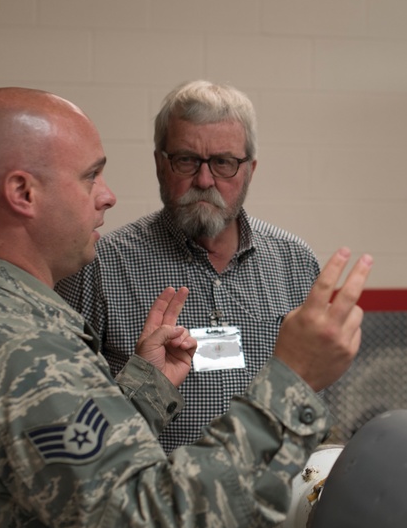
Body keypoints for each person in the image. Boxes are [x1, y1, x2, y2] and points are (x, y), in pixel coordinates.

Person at [0, 87, 371, 528]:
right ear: (23, 193)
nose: (107, 195)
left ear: (249, 168)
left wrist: (146, 387)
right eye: (91, 176)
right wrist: (292, 380)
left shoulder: (5, 321)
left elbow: (72, 466)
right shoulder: (16, 347)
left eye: (223, 162)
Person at [56, 80, 320, 454]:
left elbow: (315, 393)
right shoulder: (100, 267)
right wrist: (147, 383)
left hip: (273, 499)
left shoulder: (294, 263)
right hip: (158, 505)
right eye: (186, 160)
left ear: (250, 170)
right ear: (161, 164)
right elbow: (70, 425)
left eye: (224, 163)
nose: (205, 180)